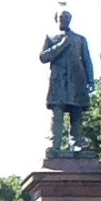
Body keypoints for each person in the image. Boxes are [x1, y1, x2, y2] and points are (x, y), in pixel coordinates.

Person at [40, 10, 94, 154]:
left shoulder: (80, 39)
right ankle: (55, 145)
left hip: (77, 81)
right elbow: (43, 57)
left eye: (66, 18)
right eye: (61, 18)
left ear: (70, 20)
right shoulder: (51, 38)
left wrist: (90, 79)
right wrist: (61, 45)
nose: (63, 20)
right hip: (58, 81)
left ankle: (77, 143)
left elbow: (87, 60)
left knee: (76, 113)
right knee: (57, 113)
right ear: (56, 19)